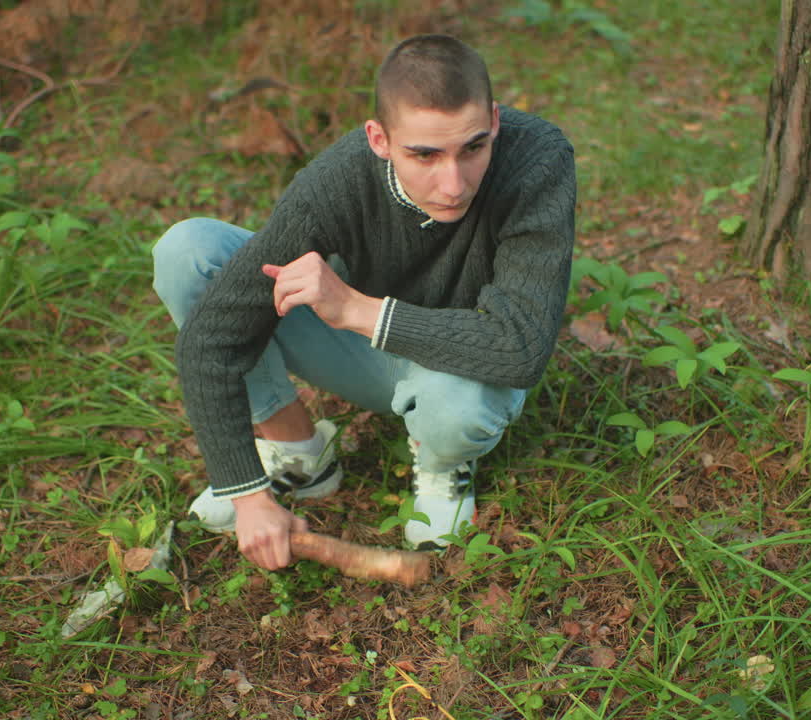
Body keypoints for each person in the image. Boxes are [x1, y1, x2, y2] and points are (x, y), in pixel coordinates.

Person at [152, 34, 575, 571]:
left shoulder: (537, 158)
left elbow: (520, 348)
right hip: (363, 353)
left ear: (493, 120)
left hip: (467, 366)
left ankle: (444, 464)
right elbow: (212, 335)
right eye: (424, 154)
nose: (453, 183)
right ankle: (298, 453)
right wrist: (247, 495)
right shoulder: (338, 180)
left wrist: (354, 308)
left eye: (473, 147)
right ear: (379, 138)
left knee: (457, 404)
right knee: (188, 253)